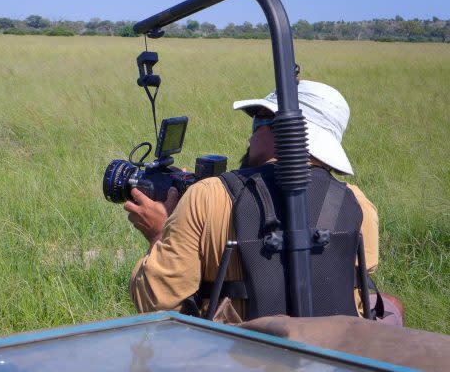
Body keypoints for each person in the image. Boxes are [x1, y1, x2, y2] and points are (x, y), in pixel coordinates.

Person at [124, 79, 379, 320]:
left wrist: (160, 235)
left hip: (235, 358)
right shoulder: (359, 204)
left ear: (281, 130)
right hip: (332, 359)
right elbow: (359, 298)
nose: (250, 137)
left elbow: (156, 303)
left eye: (257, 123)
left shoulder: (207, 195)